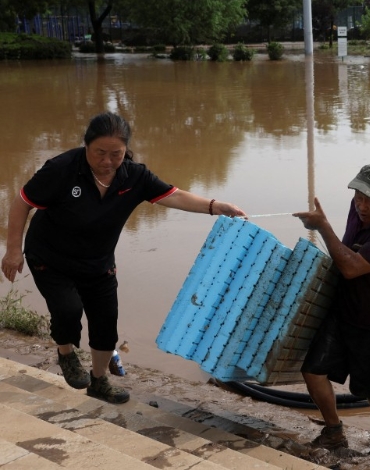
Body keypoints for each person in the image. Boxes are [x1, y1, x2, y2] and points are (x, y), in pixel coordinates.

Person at [0, 112, 246, 404]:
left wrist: (216, 206)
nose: (107, 161)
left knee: (106, 323)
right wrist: (13, 250)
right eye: (99, 153)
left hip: (98, 261)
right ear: (86, 146)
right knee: (67, 310)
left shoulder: (135, 176)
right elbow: (22, 202)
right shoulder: (62, 169)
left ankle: (99, 381)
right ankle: (66, 353)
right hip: (51, 257)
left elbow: (174, 195)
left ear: (125, 150)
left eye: (115, 154)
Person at [293, 164, 370, 459]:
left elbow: (350, 267)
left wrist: (323, 227)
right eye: (358, 197)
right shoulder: (358, 209)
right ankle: (334, 431)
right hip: (343, 312)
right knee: (312, 371)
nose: (362, 206)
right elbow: (344, 250)